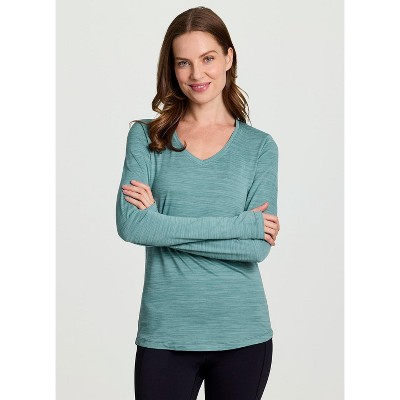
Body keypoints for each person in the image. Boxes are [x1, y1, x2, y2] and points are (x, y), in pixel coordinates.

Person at [116, 6, 280, 400]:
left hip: (243, 333)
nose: (196, 74)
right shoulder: (147, 137)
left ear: (228, 57)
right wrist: (241, 224)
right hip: (166, 333)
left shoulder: (259, 147)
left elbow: (256, 248)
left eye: (207, 58)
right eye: (183, 63)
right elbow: (133, 226)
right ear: (172, 69)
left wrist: (161, 224)